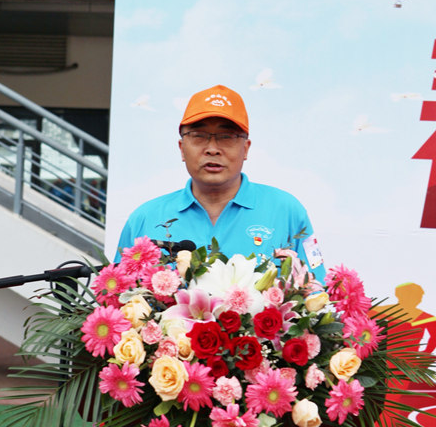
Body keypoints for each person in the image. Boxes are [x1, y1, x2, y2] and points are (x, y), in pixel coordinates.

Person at [116, 84, 325, 280]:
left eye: (226, 136)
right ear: (181, 148)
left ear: (246, 149)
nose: (212, 149)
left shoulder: (286, 212)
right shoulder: (145, 219)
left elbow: (316, 293)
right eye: (199, 135)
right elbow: (116, 298)